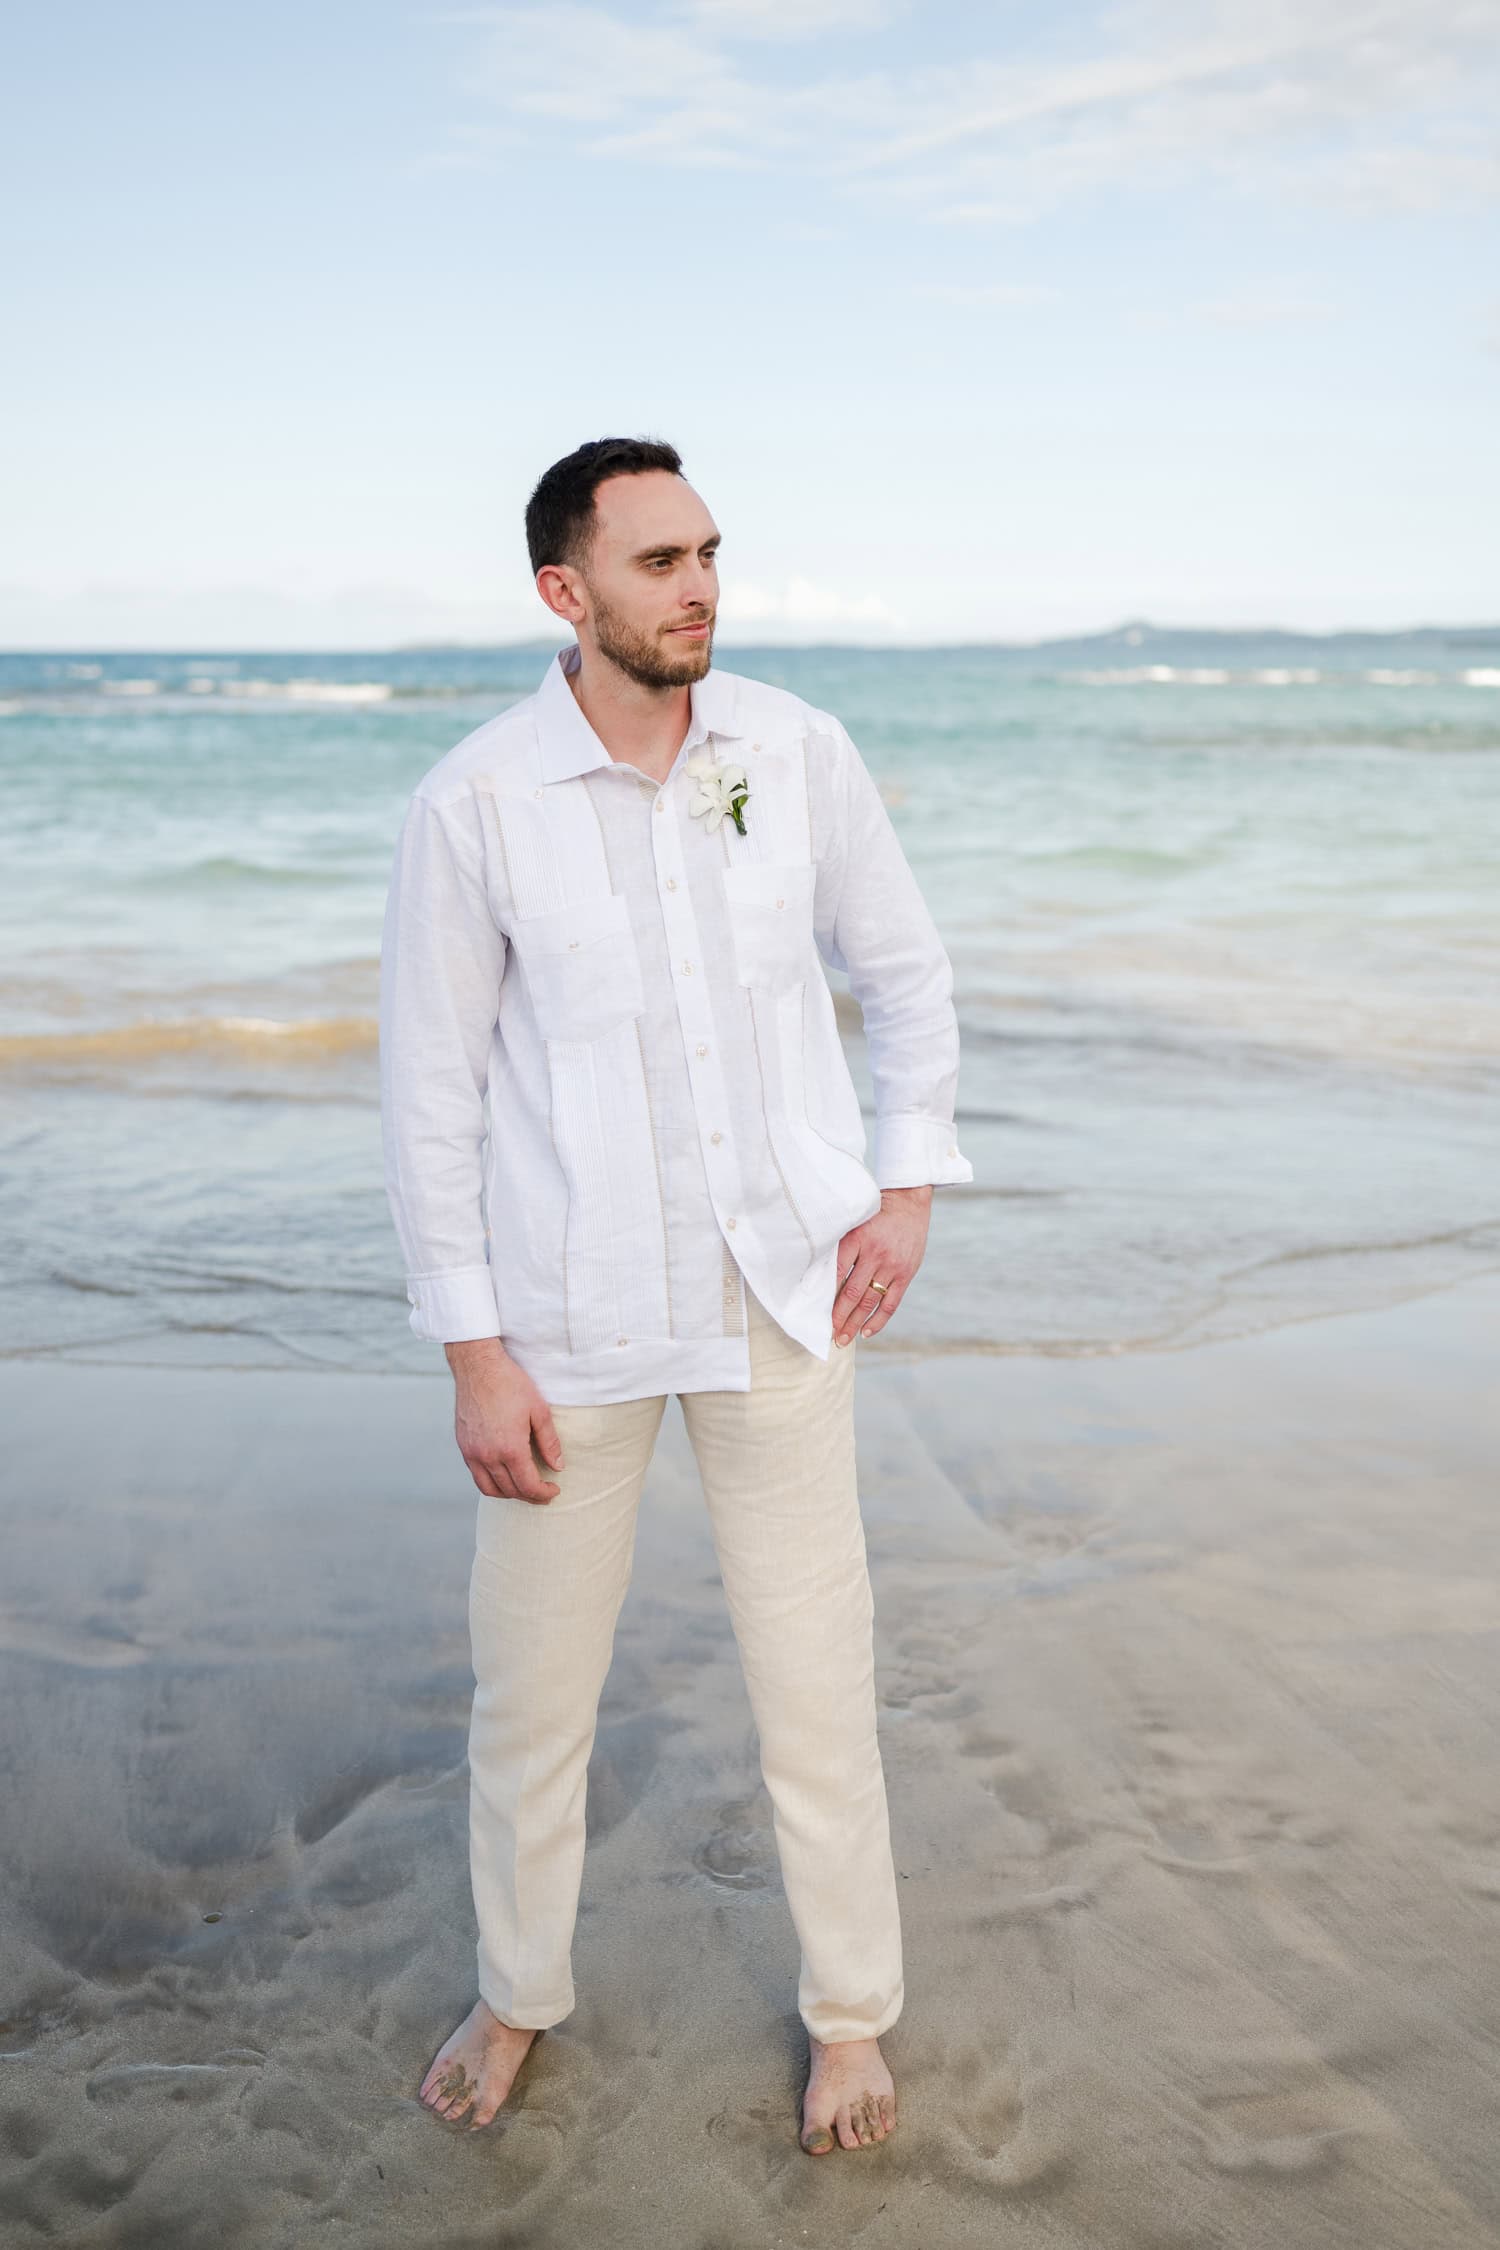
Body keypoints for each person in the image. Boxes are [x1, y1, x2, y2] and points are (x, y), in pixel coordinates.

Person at [377, 436, 973, 2155]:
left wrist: (906, 1188)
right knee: (532, 1697)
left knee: (816, 1682)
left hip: (788, 1296)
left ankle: (851, 2016)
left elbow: (904, 973)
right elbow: (431, 1099)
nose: (699, 583)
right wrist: (475, 1354)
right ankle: (513, 1998)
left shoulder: (791, 752)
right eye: (655, 561)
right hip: (569, 1325)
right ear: (566, 594)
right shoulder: (474, 801)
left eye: (708, 549)